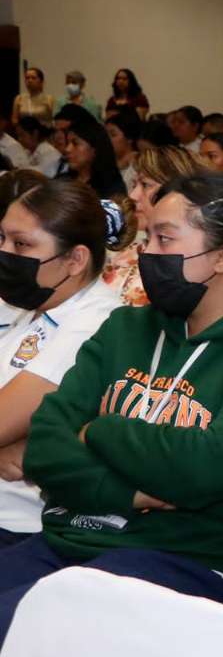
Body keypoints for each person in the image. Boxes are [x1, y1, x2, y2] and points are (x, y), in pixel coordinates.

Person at [0, 173, 223, 638]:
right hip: (74, 538)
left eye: (165, 239)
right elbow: (46, 446)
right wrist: (127, 492)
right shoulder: (125, 328)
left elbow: (207, 468)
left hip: (194, 561)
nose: (146, 253)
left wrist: (101, 430)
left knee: (20, 631)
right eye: (148, 237)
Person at [0, 179, 127, 545]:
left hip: (21, 527)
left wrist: (27, 447)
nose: (6, 252)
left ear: (75, 259)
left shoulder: (94, 321)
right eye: (3, 238)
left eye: (21, 244)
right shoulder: (39, 306)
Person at [107, 145, 206, 307]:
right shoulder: (127, 251)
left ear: (178, 192)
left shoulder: (192, 263)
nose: (133, 196)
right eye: (134, 185)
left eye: (146, 185)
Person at [64, 115, 127, 199]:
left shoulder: (113, 188)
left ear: (95, 149)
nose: (67, 149)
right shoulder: (63, 181)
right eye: (67, 143)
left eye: (75, 144)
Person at [105, 111, 140, 192]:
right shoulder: (103, 163)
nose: (106, 139)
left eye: (113, 135)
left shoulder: (137, 166)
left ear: (129, 138)